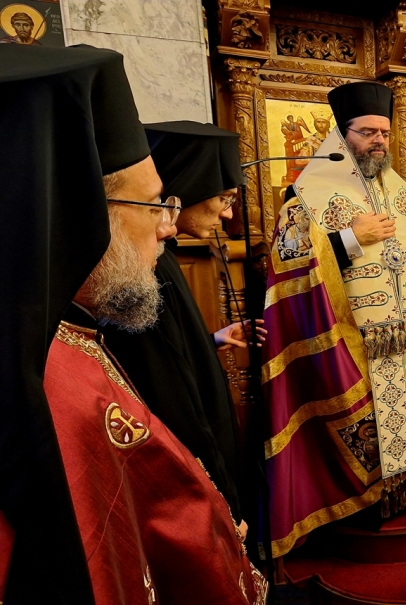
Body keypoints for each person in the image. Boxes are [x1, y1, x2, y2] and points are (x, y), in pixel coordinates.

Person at [0, 44, 265, 605]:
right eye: (152, 206)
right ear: (79, 215)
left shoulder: (66, 335)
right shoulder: (49, 380)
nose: (167, 228)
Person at [262, 81, 406, 558]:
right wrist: (350, 238)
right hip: (355, 345)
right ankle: (366, 504)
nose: (378, 141)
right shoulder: (306, 197)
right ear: (342, 133)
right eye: (368, 132)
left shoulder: (399, 191)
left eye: (385, 132)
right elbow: (290, 266)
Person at [102, 121, 265, 546]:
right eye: (224, 199)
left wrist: (210, 339)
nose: (228, 214)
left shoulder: (162, 257)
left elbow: (171, 355)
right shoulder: (142, 269)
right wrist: (221, 501)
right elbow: (168, 395)